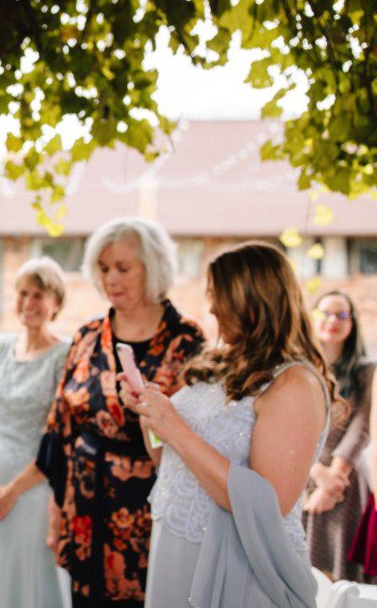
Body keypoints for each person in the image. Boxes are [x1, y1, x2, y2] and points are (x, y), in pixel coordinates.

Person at [126, 241, 334, 607]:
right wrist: (151, 417)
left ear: (252, 301)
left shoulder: (294, 383)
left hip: (237, 566)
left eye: (218, 295)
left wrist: (173, 425)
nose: (211, 307)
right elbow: (167, 461)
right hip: (177, 549)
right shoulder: (219, 366)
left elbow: (270, 505)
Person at [37, 217, 204, 606]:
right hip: (84, 504)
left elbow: (199, 431)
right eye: (104, 268)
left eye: (123, 268)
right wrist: (56, 510)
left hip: (151, 509)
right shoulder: (88, 335)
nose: (112, 278)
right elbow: (60, 428)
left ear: (154, 268)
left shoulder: (187, 340)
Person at [0, 257, 72, 608]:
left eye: (38, 294)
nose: (28, 303)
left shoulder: (65, 355)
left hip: (34, 494)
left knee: (29, 587)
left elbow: (61, 437)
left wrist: (10, 493)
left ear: (56, 302)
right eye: (22, 293)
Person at [304, 291, 374, 581]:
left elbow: (361, 429)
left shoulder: (367, 371)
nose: (333, 320)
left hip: (345, 480)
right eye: (326, 313)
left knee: (338, 575)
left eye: (341, 314)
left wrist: (332, 482)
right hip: (302, 471)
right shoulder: (299, 369)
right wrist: (316, 473)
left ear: (352, 323)